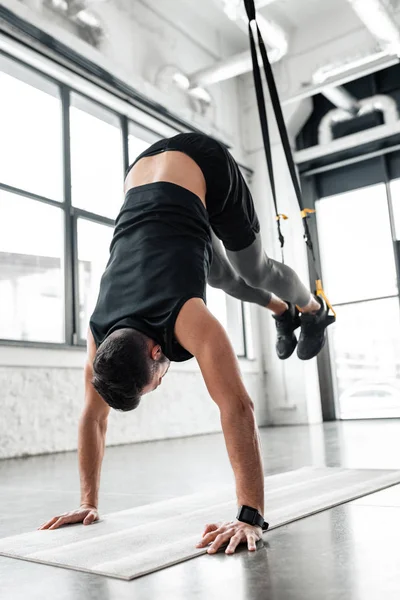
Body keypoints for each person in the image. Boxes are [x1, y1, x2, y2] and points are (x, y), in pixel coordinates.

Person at [39, 132, 334, 554]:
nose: (159, 385)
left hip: (204, 164)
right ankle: (281, 313)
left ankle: (310, 311)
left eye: (154, 383)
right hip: (145, 174)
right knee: (224, 279)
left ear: (157, 352)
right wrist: (87, 503)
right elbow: (94, 417)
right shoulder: (100, 336)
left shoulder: (187, 317)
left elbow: (237, 408)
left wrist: (249, 516)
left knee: (254, 270)